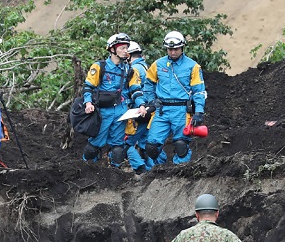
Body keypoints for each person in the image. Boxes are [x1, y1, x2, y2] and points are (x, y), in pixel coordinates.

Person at [143, 31, 206, 165]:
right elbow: (148, 84)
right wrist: (151, 100)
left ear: (182, 47)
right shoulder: (157, 64)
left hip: (182, 110)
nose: (173, 52)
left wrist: (199, 112)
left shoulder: (193, 66)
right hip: (161, 110)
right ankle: (160, 169)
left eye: (176, 49)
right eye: (170, 49)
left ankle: (180, 171)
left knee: (181, 145)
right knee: (151, 147)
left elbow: (199, 91)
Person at [83, 33, 144, 167]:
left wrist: (141, 105)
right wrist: (88, 103)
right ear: (112, 49)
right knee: (93, 147)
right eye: (122, 48)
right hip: (103, 112)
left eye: (127, 48)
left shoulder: (129, 70)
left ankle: (116, 175)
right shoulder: (99, 67)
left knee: (118, 148)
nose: (126, 51)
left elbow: (136, 90)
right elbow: (88, 87)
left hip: (121, 112)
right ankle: (85, 169)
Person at [124, 40, 164, 173]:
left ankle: (141, 168)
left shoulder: (134, 69)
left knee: (125, 143)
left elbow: (135, 90)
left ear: (129, 55)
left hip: (139, 111)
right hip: (150, 110)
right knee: (146, 143)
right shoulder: (147, 67)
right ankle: (158, 168)